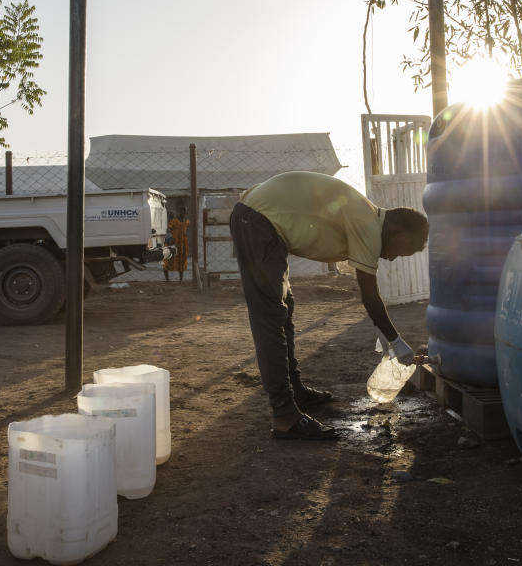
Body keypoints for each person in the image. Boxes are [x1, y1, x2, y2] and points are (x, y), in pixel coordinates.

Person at [229, 171, 428, 441]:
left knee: (283, 309)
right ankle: (284, 415)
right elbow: (369, 295)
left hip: (262, 220)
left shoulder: (368, 217)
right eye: (402, 250)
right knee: (270, 317)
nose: (393, 258)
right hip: (257, 220)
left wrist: (385, 333)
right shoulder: (369, 226)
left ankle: (295, 391)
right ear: (397, 230)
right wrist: (395, 340)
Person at [162, 206, 190, 282]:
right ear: (179, 211)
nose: (184, 213)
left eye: (185, 211)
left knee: (182, 261)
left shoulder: (186, 221)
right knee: (168, 260)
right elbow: (168, 230)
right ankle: (167, 279)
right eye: (182, 211)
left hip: (182, 245)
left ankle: (181, 280)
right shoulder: (174, 221)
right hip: (173, 243)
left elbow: (186, 230)